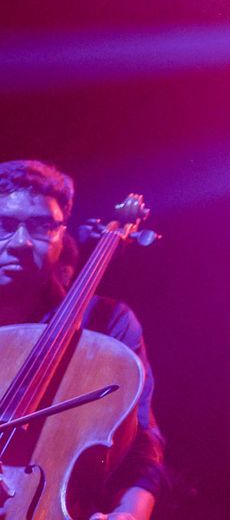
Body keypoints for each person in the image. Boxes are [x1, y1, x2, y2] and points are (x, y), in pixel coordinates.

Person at [0, 158, 167, 520]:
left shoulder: (105, 324)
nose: (22, 243)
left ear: (63, 234)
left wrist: (130, 513)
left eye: (44, 226)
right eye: (4, 225)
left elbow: (141, 440)